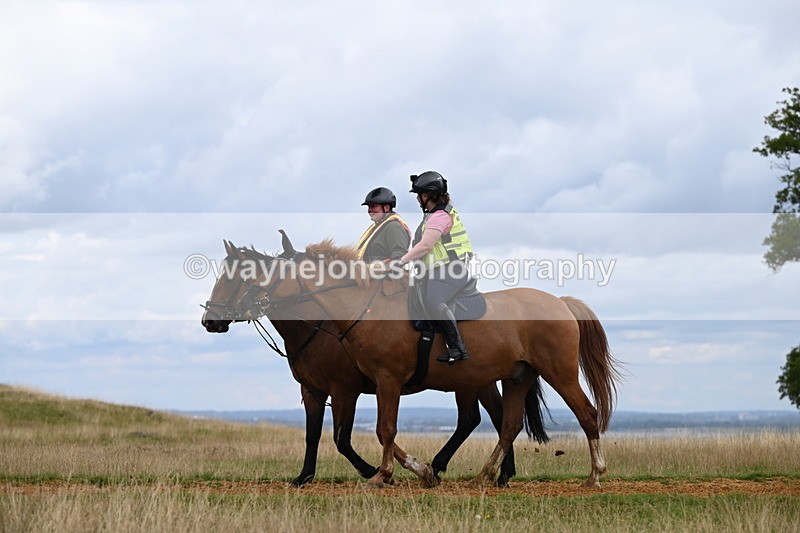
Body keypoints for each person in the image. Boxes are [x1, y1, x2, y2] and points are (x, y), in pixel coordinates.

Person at [399, 171, 474, 363]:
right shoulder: (433, 216)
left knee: (433, 300)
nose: (417, 199)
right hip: (438, 271)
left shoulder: (440, 216)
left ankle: (457, 347)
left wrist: (401, 262)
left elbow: (425, 246)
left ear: (426, 196)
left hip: (452, 270)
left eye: (418, 195)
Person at [355, 187, 411, 262]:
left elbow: (399, 257)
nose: (369, 210)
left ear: (386, 208)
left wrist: (378, 267)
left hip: (384, 270)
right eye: (369, 207)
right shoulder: (377, 228)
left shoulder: (394, 227)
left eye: (373, 206)